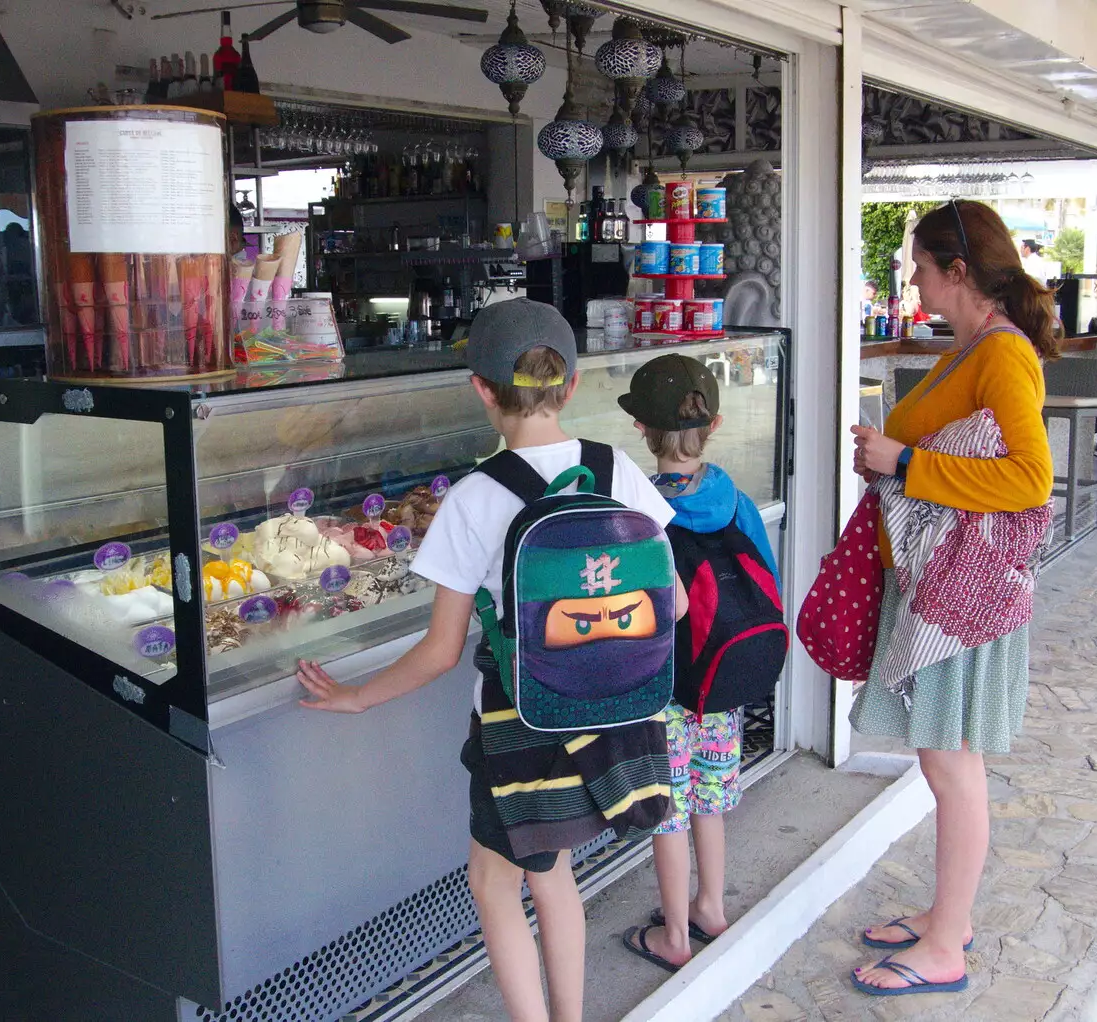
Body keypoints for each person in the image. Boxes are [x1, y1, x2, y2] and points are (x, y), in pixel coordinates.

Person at [296, 299, 684, 1022]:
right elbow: (677, 606)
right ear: (568, 387)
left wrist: (357, 698)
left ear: (480, 389)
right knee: (555, 874)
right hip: (613, 716)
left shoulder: (474, 498)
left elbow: (441, 650)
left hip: (521, 729)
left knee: (493, 883)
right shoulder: (617, 468)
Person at [845, 200, 1055, 996]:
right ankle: (947, 919)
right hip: (941, 584)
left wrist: (903, 462)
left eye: (922, 267)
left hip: (960, 594)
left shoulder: (1001, 355)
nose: (914, 279)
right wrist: (897, 461)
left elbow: (1029, 481)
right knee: (944, 757)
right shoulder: (974, 347)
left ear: (958, 271)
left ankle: (944, 947)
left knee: (949, 759)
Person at [615, 354, 781, 972]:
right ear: (712, 425)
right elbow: (767, 579)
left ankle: (675, 938)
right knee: (708, 798)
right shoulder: (732, 497)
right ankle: (710, 906)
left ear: (641, 430)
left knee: (669, 808)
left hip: (667, 687)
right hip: (723, 679)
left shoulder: (639, 512)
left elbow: (648, 610)